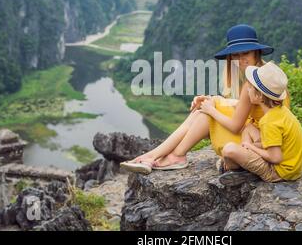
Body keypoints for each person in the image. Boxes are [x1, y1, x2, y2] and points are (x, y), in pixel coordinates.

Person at [120, 24, 290, 174]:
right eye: (235, 55)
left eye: (245, 53)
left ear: (256, 52)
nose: (241, 59)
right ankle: (162, 155)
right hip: (265, 138)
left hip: (262, 144)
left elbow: (236, 125)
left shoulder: (251, 85)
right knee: (206, 109)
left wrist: (211, 109)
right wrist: (213, 100)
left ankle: (167, 156)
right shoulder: (268, 77)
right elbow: (245, 107)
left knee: (205, 114)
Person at [218, 62, 302, 186]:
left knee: (229, 150)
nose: (247, 89)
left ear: (259, 96)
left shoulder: (269, 122)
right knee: (248, 128)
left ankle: (239, 171)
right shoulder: (281, 112)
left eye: (251, 87)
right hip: (292, 168)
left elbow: (275, 158)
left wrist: (250, 146)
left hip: (278, 172)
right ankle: (243, 165)